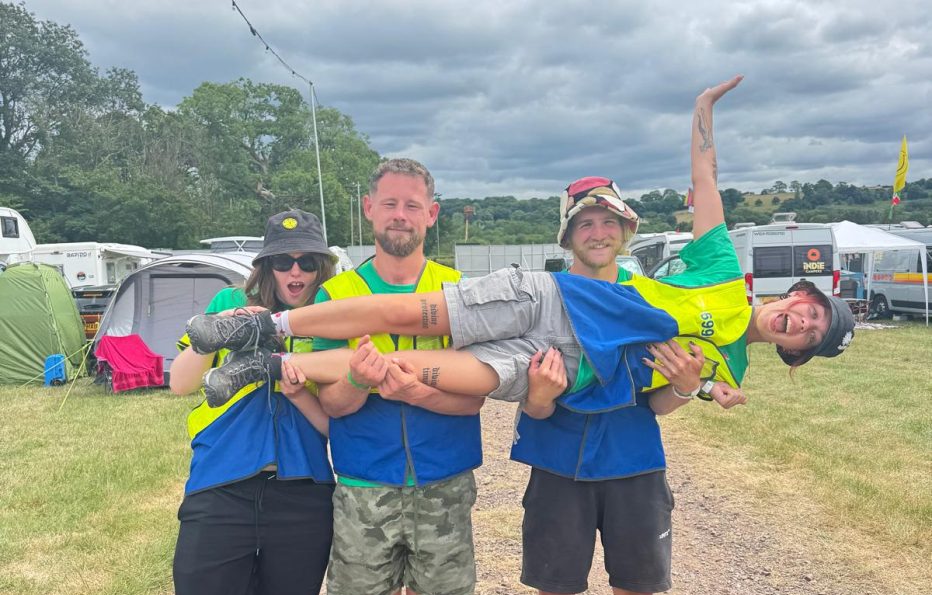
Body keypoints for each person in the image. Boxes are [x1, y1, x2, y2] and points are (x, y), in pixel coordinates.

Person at [184, 75, 855, 414]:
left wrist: (692, 392)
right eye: (810, 310)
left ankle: (265, 367)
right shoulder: (723, 269)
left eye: (808, 335)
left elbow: (656, 400)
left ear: (797, 355)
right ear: (796, 294)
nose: (799, 322)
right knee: (403, 314)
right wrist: (704, 110)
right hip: (551, 299)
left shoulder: (728, 373)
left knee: (420, 367)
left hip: (565, 363)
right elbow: (705, 180)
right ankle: (261, 323)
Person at [513, 176, 744, 595]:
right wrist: (543, 395)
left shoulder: (648, 304)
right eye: (586, 224)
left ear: (626, 231)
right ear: (568, 238)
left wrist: (687, 388)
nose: (598, 233)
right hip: (559, 467)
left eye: (609, 223)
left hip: (635, 468)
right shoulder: (547, 301)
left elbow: (655, 403)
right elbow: (530, 403)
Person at [303, 159, 484, 595]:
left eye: (411, 206)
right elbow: (334, 408)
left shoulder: (461, 293)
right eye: (389, 204)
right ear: (368, 211)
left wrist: (417, 392)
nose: (400, 216)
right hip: (364, 483)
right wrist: (357, 381)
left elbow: (475, 400)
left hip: (444, 480)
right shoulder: (335, 299)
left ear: (431, 214)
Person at [168, 210, 336, 595]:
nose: (296, 272)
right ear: (266, 265)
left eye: (307, 261)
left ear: (322, 266)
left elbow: (335, 425)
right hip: (221, 487)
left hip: (301, 491)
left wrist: (295, 385)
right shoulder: (227, 302)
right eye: (283, 261)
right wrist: (217, 329)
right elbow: (180, 383)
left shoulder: (328, 318)